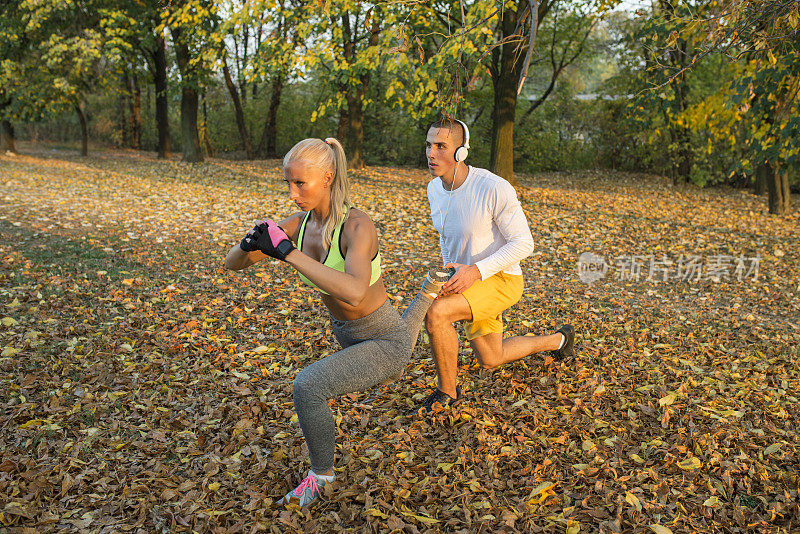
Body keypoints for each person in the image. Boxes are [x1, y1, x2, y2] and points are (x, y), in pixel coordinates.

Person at [224, 137, 452, 507]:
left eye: (301, 183)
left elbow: (355, 293)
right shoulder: (299, 223)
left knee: (308, 386)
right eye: (288, 183)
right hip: (348, 333)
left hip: (382, 341)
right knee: (398, 343)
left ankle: (322, 476)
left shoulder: (357, 226)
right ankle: (427, 291)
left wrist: (288, 252)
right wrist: (250, 241)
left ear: (328, 177)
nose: (292, 193)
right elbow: (231, 264)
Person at [414, 118, 576, 413]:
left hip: (501, 280)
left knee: (436, 315)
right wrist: (446, 279)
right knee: (491, 357)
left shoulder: (493, 188)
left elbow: (524, 243)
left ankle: (447, 394)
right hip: (468, 282)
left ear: (461, 152)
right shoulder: (434, 190)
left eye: (441, 146)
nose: (431, 153)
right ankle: (560, 339)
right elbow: (447, 239)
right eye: (429, 145)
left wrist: (475, 271)